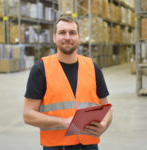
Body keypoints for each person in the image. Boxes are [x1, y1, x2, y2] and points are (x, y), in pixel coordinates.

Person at [23, 16, 112, 150]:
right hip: (56, 146)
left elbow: (106, 108)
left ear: (79, 37)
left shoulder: (93, 68)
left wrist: (104, 125)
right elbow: (28, 115)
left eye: (72, 32)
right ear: (54, 37)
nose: (67, 37)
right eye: (62, 32)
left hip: (89, 145)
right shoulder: (41, 69)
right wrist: (63, 122)